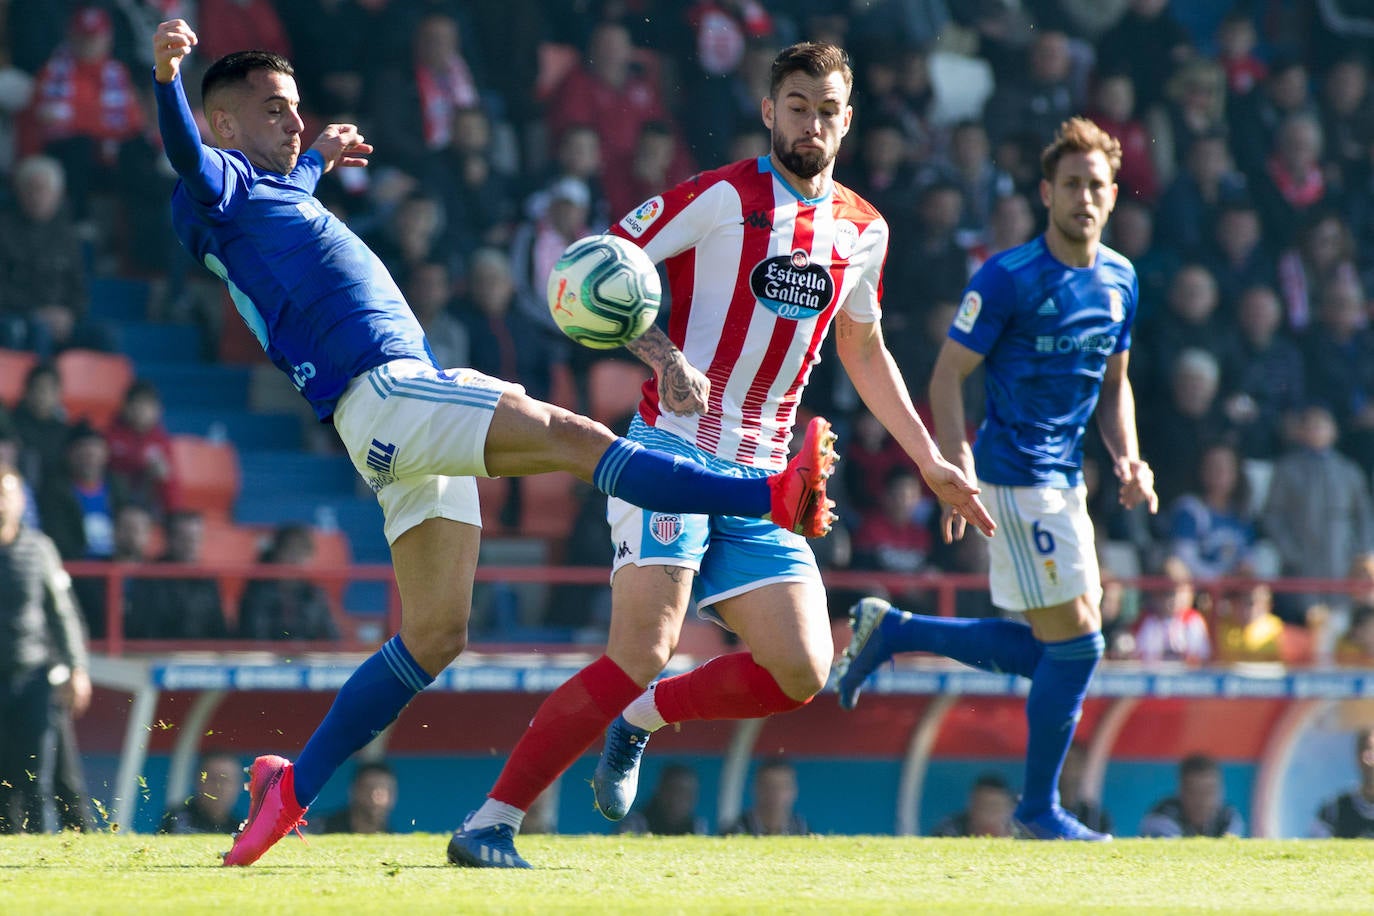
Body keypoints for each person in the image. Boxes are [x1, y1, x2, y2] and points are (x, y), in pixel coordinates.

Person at [149, 19, 839, 868]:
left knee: (434, 636)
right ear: (222, 125)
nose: (295, 122)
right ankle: (767, 495)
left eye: (297, 109)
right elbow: (188, 153)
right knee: (575, 438)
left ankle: (288, 791)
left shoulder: (268, 193)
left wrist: (317, 156)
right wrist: (167, 78)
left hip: (383, 424)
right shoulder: (213, 182)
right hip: (390, 389)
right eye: (274, 111)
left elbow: (280, 184)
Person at [449, 40, 992, 869]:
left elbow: (864, 348)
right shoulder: (718, 199)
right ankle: (490, 822)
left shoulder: (862, 230)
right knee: (641, 647)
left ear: (849, 121)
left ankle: (643, 720)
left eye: (829, 109)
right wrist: (665, 360)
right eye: (799, 104)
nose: (813, 121)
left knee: (803, 668)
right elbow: (591, 272)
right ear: (771, 111)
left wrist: (930, 461)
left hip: (766, 479)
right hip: (670, 453)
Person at [836, 117, 1158, 841]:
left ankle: (894, 631)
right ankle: (1040, 810)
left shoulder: (1120, 279)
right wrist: (956, 465)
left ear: (1112, 197)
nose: (1083, 197)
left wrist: (1128, 457)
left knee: (1054, 648)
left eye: (1096, 186)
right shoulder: (1008, 278)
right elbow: (948, 375)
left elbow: (1115, 386)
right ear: (1047, 192)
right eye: (1070, 184)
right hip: (1014, 476)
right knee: (1081, 645)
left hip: (1066, 480)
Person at [0, 464, 90, 833]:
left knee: (36, 776)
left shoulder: (39, 549)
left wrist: (77, 668)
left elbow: (62, 613)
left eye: (5, 494)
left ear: (21, 500)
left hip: (31, 677)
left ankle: (36, 850)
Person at [236, 522, 340, 641]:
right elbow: (255, 637)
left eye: (304, 552)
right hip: (268, 657)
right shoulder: (257, 593)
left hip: (306, 657)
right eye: (291, 550)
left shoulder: (315, 594)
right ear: (277, 553)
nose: (297, 559)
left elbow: (333, 638)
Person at [1139, 753, 1245, 838]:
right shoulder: (1161, 817)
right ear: (1182, 791)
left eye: (1209, 792)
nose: (1203, 801)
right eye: (1195, 792)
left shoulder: (1228, 817)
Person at [1309, 729, 1374, 838]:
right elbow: (1314, 843)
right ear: (1357, 757)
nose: (1368, 759)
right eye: (1364, 750)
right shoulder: (1334, 809)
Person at [159, 751, 245, 834]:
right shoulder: (177, 820)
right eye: (213, 779)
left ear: (238, 785)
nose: (219, 787)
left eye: (225, 780)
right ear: (198, 782)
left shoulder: (241, 829)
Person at [720, 757, 808, 837]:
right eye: (769, 786)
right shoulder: (735, 831)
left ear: (794, 791)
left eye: (783, 786)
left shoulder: (802, 830)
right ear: (756, 789)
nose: (776, 794)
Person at [617, 762, 708, 837]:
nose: (680, 799)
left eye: (687, 793)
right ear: (660, 791)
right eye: (674, 790)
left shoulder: (697, 826)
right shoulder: (637, 823)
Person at [929, 772, 1020, 838]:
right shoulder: (950, 830)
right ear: (971, 807)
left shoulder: (1021, 833)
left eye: (995, 807)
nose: (989, 815)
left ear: (1009, 809)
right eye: (983, 807)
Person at [319, 761, 397, 834]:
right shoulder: (320, 828)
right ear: (353, 791)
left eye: (386, 790)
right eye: (369, 788)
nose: (377, 798)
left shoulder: (393, 841)